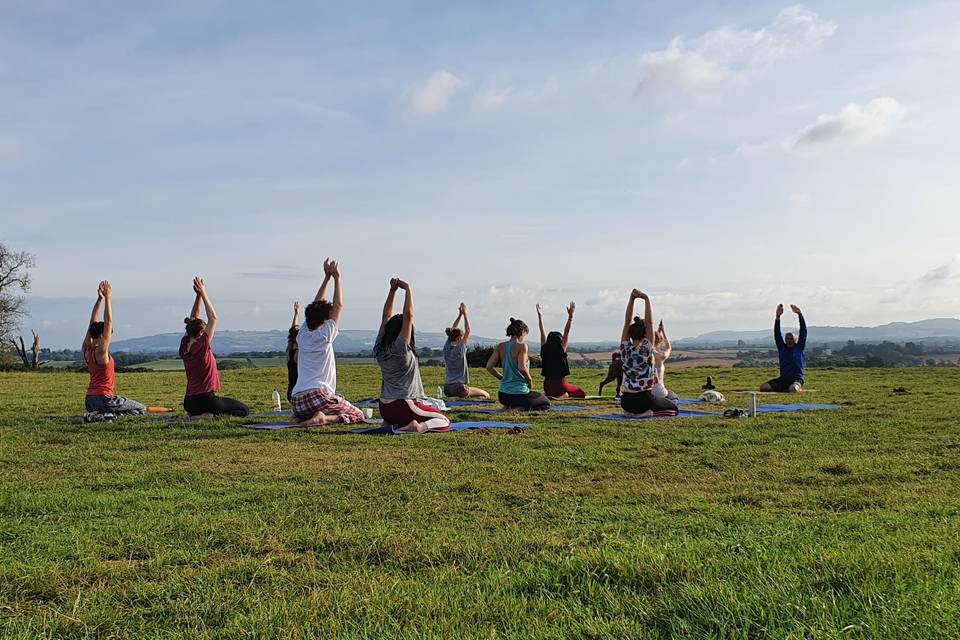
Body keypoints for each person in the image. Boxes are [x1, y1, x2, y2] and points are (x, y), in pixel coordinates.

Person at [289, 259, 365, 426]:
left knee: (307, 410)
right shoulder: (325, 335)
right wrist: (337, 278)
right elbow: (339, 305)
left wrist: (326, 278)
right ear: (325, 320)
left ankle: (298, 418)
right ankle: (324, 418)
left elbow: (316, 305)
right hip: (318, 396)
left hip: (297, 401)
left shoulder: (302, 334)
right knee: (358, 414)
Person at [375, 278, 451, 432]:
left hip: (384, 407)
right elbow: (408, 317)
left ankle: (394, 423)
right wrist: (408, 289)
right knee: (443, 420)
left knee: (420, 413)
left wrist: (392, 290)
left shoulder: (379, 348)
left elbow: (385, 318)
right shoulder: (400, 348)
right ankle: (418, 427)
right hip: (404, 405)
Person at [179, 277, 250, 417]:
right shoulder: (202, 345)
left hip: (189, 402)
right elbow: (213, 318)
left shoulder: (185, 344)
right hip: (206, 400)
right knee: (243, 410)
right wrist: (204, 293)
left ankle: (197, 415)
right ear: (201, 333)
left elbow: (194, 318)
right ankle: (207, 416)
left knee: (230, 408)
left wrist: (198, 295)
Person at [81, 281, 147, 419]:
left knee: (127, 410)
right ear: (102, 335)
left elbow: (91, 324)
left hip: (90, 400)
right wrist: (108, 298)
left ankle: (98, 415)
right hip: (105, 398)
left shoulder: (87, 350)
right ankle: (102, 416)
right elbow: (108, 321)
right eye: (108, 334)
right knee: (141, 409)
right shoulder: (101, 352)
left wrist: (100, 299)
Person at [619, 289, 679, 416]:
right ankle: (647, 413)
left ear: (630, 333)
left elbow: (626, 323)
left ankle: (631, 412)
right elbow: (650, 323)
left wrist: (631, 299)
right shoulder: (646, 349)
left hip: (625, 401)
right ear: (644, 334)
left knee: (652, 403)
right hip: (643, 400)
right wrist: (646, 299)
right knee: (674, 408)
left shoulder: (624, 349)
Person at [486, 318, 551, 411]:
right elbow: (522, 368)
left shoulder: (500, 346)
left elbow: (489, 366)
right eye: (525, 333)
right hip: (519, 395)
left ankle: (509, 406)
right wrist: (529, 380)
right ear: (522, 331)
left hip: (503, 395)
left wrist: (502, 378)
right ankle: (519, 408)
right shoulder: (522, 346)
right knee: (545, 402)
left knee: (533, 396)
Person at [536, 302, 586, 399]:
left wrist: (540, 316)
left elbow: (542, 332)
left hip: (547, 386)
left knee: (554, 391)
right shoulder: (561, 349)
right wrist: (570, 317)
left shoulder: (544, 349)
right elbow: (566, 332)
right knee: (580, 392)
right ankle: (564, 395)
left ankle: (548, 394)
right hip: (560, 385)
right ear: (560, 341)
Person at [442, 303, 490, 400]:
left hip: (447, 389)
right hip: (459, 388)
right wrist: (465, 314)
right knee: (486, 395)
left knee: (473, 394)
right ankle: (464, 397)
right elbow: (468, 330)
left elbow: (453, 330)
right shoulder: (460, 349)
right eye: (462, 337)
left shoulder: (446, 348)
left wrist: (460, 314)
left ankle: (459, 398)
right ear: (459, 338)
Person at [760, 304, 807, 393]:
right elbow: (777, 333)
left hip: (797, 379)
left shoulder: (799, 347)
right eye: (787, 338)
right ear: (785, 340)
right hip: (783, 379)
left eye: (791, 338)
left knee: (793, 389)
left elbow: (803, 331)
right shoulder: (782, 347)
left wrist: (800, 315)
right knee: (764, 388)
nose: (789, 340)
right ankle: (784, 388)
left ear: (795, 340)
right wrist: (778, 317)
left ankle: (798, 389)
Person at [651, 320, 679, 402]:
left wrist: (658, 331)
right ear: (659, 342)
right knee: (674, 397)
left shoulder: (643, 355)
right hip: (660, 393)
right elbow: (668, 348)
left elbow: (653, 342)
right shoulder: (659, 356)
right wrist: (663, 330)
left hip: (646, 393)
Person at [286, 301, 300, 401]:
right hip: (299, 390)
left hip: (291, 390)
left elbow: (293, 329)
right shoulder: (299, 353)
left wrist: (296, 314)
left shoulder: (289, 349)